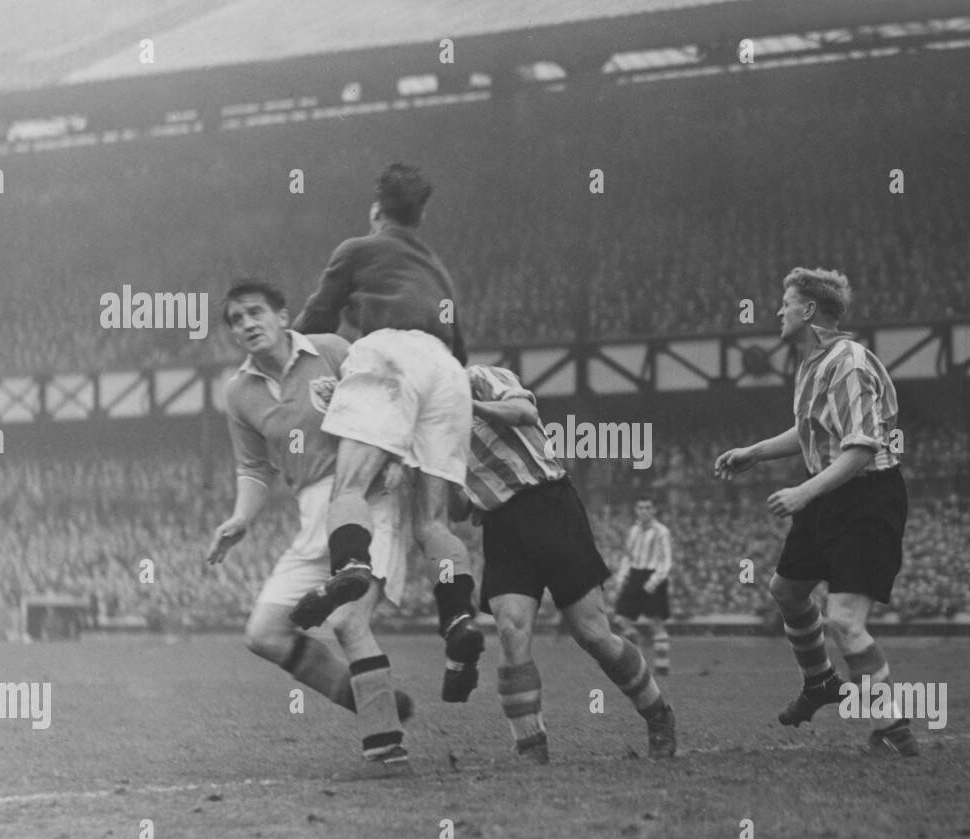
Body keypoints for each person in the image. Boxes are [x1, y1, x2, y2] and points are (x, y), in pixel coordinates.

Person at [287, 163, 484, 704]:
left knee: (348, 489)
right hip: (447, 373)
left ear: (377, 210)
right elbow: (460, 351)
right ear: (419, 216)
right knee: (434, 523)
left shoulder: (358, 248)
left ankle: (351, 564)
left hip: (390, 354)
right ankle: (458, 617)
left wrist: (281, 357)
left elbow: (316, 318)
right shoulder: (438, 270)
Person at [208, 279, 413, 778]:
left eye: (255, 312)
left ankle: (387, 751)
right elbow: (254, 470)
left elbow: (391, 398)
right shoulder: (239, 392)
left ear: (283, 316)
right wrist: (240, 518)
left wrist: (397, 459)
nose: (247, 324)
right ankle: (373, 699)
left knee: (348, 623)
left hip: (366, 498)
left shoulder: (331, 351)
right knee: (263, 633)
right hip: (310, 512)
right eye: (236, 320)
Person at [714, 267, 916, 757]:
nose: (778, 311)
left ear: (807, 311)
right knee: (786, 590)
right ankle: (821, 682)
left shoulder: (846, 363)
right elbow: (808, 431)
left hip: (866, 497)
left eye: (785, 303)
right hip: (830, 493)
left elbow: (862, 449)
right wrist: (754, 452)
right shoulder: (810, 363)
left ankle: (893, 730)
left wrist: (804, 493)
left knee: (844, 621)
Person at [455, 364, 676, 762]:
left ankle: (657, 713)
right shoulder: (426, 425)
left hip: (549, 504)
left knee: (593, 634)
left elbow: (525, 413)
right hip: (501, 524)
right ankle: (531, 747)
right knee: (510, 629)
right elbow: (458, 506)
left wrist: (466, 406)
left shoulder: (478, 378)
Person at [611, 498, 674, 676]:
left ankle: (662, 667)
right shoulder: (634, 531)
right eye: (640, 507)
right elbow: (627, 556)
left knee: (656, 622)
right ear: (636, 510)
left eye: (648, 507)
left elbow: (666, 560)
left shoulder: (662, 531)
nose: (644, 511)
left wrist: (653, 582)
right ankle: (638, 661)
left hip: (653, 575)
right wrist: (621, 577)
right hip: (635, 575)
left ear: (654, 510)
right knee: (621, 619)